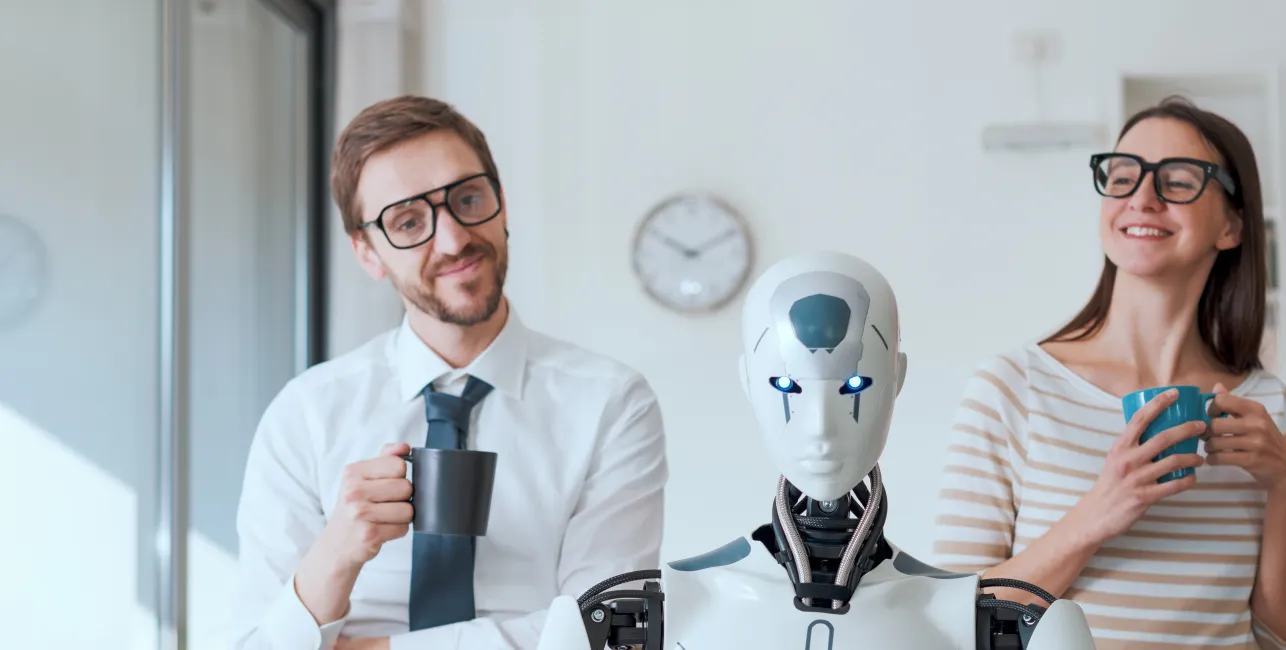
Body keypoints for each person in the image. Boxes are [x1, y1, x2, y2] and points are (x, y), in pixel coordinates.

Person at [229, 95, 669, 650]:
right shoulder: (306, 415)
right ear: (367, 253)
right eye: (409, 221)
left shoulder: (611, 404)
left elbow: (609, 636)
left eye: (467, 198)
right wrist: (337, 550)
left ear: (502, 202)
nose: (455, 238)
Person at [531, 250, 1095, 649]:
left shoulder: (1003, 625)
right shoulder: (618, 621)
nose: (821, 428)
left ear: (895, 379)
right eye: (787, 387)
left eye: (854, 387)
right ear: (749, 382)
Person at [931, 96, 1286, 649]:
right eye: (1123, 175)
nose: (1143, 198)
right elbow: (952, 625)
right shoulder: (1012, 391)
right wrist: (1099, 513)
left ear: (1232, 225)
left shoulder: (1276, 413)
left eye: (1180, 180)